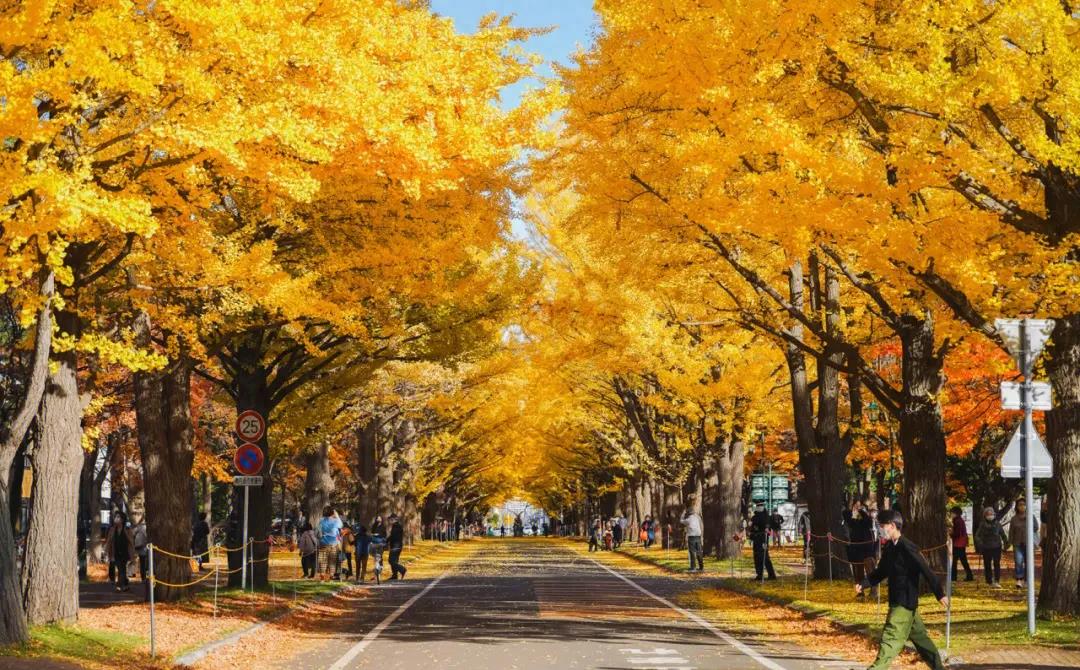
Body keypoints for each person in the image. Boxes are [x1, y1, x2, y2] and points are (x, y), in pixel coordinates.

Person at [856, 510, 948, 670]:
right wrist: (864, 583)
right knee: (923, 642)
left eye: (882, 526)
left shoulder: (907, 547)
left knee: (889, 640)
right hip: (904, 603)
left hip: (903, 603)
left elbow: (926, 570)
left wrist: (939, 594)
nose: (880, 529)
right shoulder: (890, 548)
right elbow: (881, 571)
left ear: (892, 526)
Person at [845, 500, 876, 598]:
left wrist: (861, 511)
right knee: (857, 571)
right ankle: (860, 592)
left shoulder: (866, 519)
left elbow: (868, 522)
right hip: (855, 547)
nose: (857, 508)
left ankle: (873, 590)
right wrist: (853, 511)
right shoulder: (852, 519)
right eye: (855, 506)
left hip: (866, 548)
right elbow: (847, 518)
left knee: (870, 569)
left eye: (859, 506)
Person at [974, 507, 1007, 588]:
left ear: (994, 515)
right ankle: (989, 581)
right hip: (986, 547)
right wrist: (980, 543)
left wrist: (1006, 543)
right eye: (988, 514)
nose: (990, 516)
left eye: (991, 514)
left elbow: (1003, 534)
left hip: (997, 547)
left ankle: (997, 581)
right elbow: (977, 536)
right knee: (987, 565)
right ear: (985, 516)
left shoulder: (997, 524)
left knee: (996, 564)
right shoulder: (982, 524)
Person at [1009, 499, 1038, 589]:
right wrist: (1009, 542)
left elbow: (1036, 527)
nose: (1022, 506)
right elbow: (1011, 532)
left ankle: (1027, 580)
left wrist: (1028, 522)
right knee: (1018, 561)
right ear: (1017, 507)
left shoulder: (1031, 516)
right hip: (1017, 543)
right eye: (1020, 505)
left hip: (1028, 543)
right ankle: (1019, 579)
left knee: (1028, 562)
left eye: (1024, 504)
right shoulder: (1014, 519)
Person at [105, 512, 134, 592]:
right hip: (116, 552)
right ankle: (125, 584)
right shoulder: (112, 529)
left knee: (122, 568)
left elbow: (131, 542)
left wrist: (133, 554)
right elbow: (109, 541)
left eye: (118, 517)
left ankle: (119, 585)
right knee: (120, 568)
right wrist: (106, 551)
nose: (116, 519)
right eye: (115, 517)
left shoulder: (127, 529)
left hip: (125, 552)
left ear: (122, 519)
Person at [750, 504, 776, 580]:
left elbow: (768, 527)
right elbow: (752, 528)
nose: (758, 508)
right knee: (757, 557)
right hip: (756, 539)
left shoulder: (767, 517)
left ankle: (771, 575)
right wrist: (751, 536)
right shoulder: (754, 517)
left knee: (765, 557)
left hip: (763, 539)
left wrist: (767, 529)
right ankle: (759, 574)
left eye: (760, 506)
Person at [318, 506, 343, 580]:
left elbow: (318, 530)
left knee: (322, 560)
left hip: (323, 542)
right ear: (332, 513)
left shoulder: (321, 520)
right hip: (333, 543)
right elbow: (341, 525)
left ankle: (322, 577)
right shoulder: (335, 521)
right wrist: (337, 516)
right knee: (332, 561)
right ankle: (331, 576)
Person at [950, 507, 974, 582]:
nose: (951, 514)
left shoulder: (957, 521)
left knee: (956, 561)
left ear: (955, 513)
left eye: (952, 513)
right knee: (962, 560)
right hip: (960, 543)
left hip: (958, 544)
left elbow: (957, 533)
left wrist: (950, 534)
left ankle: (954, 577)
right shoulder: (959, 520)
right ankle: (969, 575)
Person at [682, 507, 704, 572]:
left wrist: (683, 514)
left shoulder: (688, 519)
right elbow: (701, 525)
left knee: (692, 552)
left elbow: (681, 521)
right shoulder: (698, 518)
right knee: (699, 551)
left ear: (688, 513)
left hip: (691, 537)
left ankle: (693, 567)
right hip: (698, 536)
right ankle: (701, 567)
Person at [387, 514, 407, 580]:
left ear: (393, 519)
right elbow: (392, 536)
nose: (389, 521)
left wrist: (387, 541)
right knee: (394, 561)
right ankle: (394, 575)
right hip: (397, 546)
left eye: (390, 519)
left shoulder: (396, 527)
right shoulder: (396, 526)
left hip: (396, 546)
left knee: (391, 561)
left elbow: (393, 536)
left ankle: (402, 569)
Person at [132, 514, 149, 582]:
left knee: (142, 563)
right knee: (147, 563)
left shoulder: (139, 527)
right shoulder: (147, 527)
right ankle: (147, 577)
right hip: (148, 547)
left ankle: (143, 578)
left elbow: (133, 534)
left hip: (140, 547)